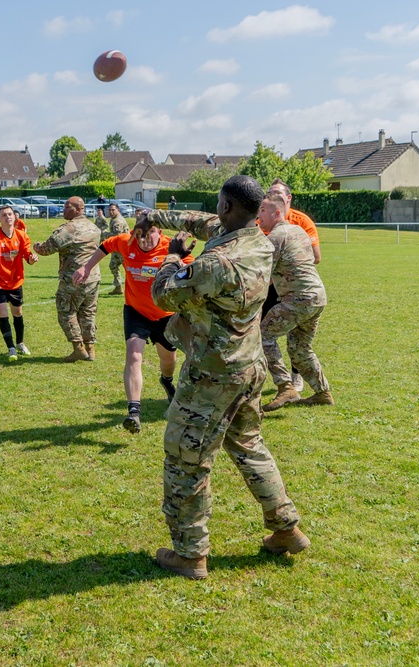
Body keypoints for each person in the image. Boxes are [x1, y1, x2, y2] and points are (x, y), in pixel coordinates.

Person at [134, 174, 309, 580]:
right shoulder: (259, 240)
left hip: (214, 374)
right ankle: (286, 528)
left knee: (185, 458)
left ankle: (190, 554)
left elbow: (163, 294)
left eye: (218, 204)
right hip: (249, 367)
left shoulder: (216, 263)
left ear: (227, 207)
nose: (214, 211)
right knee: (249, 447)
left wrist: (174, 256)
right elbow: (202, 223)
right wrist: (154, 215)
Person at [72, 221, 192, 433]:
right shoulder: (125, 242)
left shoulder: (169, 247)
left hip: (166, 314)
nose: (144, 239)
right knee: (134, 355)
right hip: (136, 311)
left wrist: (182, 268)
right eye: (139, 234)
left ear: (160, 232)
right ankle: (134, 413)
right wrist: (87, 267)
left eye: (150, 233)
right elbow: (105, 246)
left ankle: (166, 380)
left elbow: (192, 268)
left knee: (168, 361)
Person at [257, 194, 333, 411]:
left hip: (298, 298)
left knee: (263, 335)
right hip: (317, 296)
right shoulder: (298, 231)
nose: (259, 215)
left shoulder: (275, 238)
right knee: (300, 347)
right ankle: (322, 392)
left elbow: (262, 275)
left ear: (277, 213)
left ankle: (285, 387)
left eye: (263, 210)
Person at [265, 178, 322, 393]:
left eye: (277, 195)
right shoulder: (263, 219)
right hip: (271, 285)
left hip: (292, 286)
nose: (273, 197)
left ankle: (293, 379)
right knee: (263, 329)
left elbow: (316, 257)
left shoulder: (301, 221)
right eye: (270, 193)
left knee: (294, 336)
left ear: (287, 199)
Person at [33, 196, 101, 362]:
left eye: (67, 207)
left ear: (78, 209)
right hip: (93, 278)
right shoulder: (94, 227)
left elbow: (48, 248)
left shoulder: (70, 228)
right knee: (88, 313)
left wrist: (36, 247)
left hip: (74, 278)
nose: (64, 210)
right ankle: (90, 349)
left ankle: (78, 348)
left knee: (66, 311)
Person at [0, 205, 38, 361]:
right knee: (3, 314)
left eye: (10, 214)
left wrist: (32, 259)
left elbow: (28, 255)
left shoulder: (22, 236)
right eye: (4, 215)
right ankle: (11, 348)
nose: (7, 217)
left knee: (18, 313)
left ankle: (20, 343)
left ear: (15, 217)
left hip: (15, 282)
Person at [105, 203, 130, 295]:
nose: (111, 212)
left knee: (129, 269)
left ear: (118, 210)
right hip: (117, 249)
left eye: (113, 210)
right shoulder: (114, 220)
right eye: (109, 210)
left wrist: (104, 234)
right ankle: (118, 286)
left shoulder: (117, 221)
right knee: (113, 265)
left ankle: (132, 288)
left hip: (123, 249)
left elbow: (117, 236)